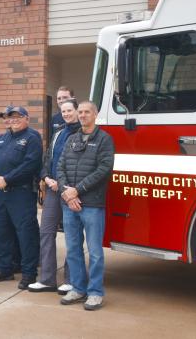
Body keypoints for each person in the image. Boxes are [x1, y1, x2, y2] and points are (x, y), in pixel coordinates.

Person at [57, 101, 114, 311]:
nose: (82, 115)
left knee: (95, 252)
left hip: (92, 204)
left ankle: (95, 292)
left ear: (95, 114)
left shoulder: (104, 140)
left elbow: (104, 169)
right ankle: (78, 289)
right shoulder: (72, 139)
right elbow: (60, 167)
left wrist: (77, 190)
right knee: (72, 249)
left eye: (86, 112)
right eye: (79, 112)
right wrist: (67, 193)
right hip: (69, 204)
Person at [0, 106, 42, 289]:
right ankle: (5, 269)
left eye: (18, 116)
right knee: (1, 232)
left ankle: (29, 273)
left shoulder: (32, 138)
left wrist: (7, 179)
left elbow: (30, 165)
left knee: (26, 235)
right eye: (10, 117)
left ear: (27, 118)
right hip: (0, 193)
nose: (13, 120)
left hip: (21, 193)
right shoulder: (3, 138)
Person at [28, 99, 80, 293]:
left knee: (72, 236)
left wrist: (64, 182)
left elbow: (79, 164)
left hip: (69, 191)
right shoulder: (58, 133)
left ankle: (71, 279)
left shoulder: (82, 134)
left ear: (77, 111)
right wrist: (46, 177)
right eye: (63, 111)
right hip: (51, 189)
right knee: (46, 232)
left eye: (69, 110)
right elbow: (47, 158)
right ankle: (48, 279)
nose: (66, 114)